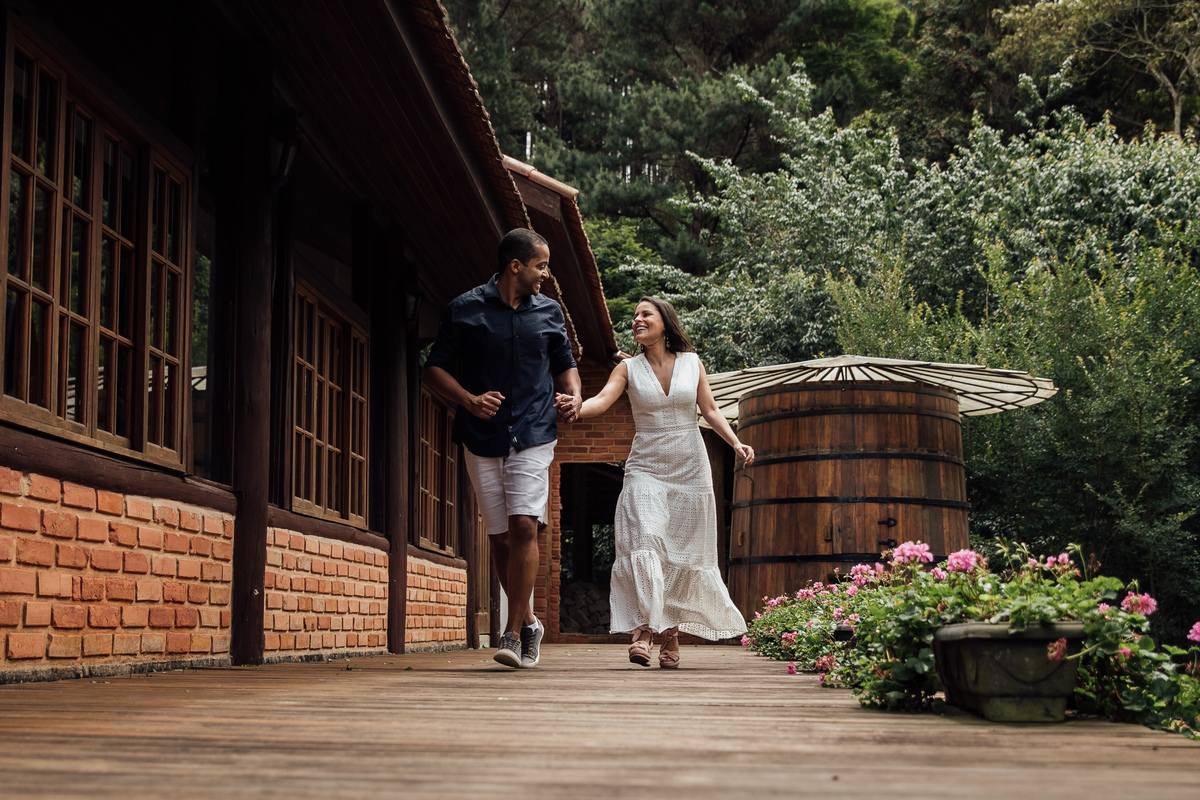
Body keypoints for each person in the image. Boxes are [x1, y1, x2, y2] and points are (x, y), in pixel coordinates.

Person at [424, 228, 581, 669]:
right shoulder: (464, 309)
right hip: (482, 435)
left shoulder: (550, 313)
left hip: (533, 432)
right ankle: (529, 620)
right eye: (541, 266)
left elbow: (567, 369)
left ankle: (512, 634)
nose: (545, 276)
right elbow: (433, 370)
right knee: (498, 536)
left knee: (524, 528)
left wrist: (575, 398)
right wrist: (470, 400)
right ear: (516, 266)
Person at [578, 296, 751, 668]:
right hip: (645, 468)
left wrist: (735, 442)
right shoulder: (628, 370)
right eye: (635, 315)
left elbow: (710, 409)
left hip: (690, 467)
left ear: (664, 322)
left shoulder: (691, 363)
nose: (637, 319)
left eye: (645, 314)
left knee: (682, 553)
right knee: (645, 540)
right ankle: (643, 629)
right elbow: (602, 400)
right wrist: (576, 407)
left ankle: (670, 633)